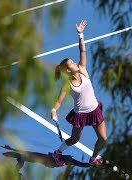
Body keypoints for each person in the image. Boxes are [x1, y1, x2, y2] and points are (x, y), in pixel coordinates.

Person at [51, 20, 107, 167]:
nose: (76, 64)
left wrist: (80, 34)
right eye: (72, 64)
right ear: (68, 70)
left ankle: (93, 158)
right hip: (80, 115)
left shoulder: (82, 69)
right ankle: (58, 153)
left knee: (103, 138)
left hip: (94, 110)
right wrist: (54, 110)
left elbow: (82, 51)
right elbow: (59, 101)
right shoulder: (67, 85)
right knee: (75, 139)